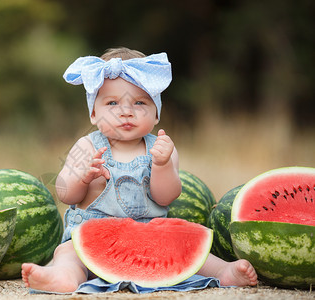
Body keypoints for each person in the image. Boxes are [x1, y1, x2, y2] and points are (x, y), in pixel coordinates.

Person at [22, 47, 257, 293]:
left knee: (182, 246)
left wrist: (163, 165)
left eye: (140, 102)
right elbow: (66, 194)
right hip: (90, 241)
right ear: (94, 113)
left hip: (150, 241)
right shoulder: (87, 145)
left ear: (156, 113)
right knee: (68, 253)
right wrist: (81, 177)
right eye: (112, 102)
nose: (126, 111)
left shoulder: (161, 148)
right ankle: (64, 278)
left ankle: (224, 272)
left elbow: (166, 197)